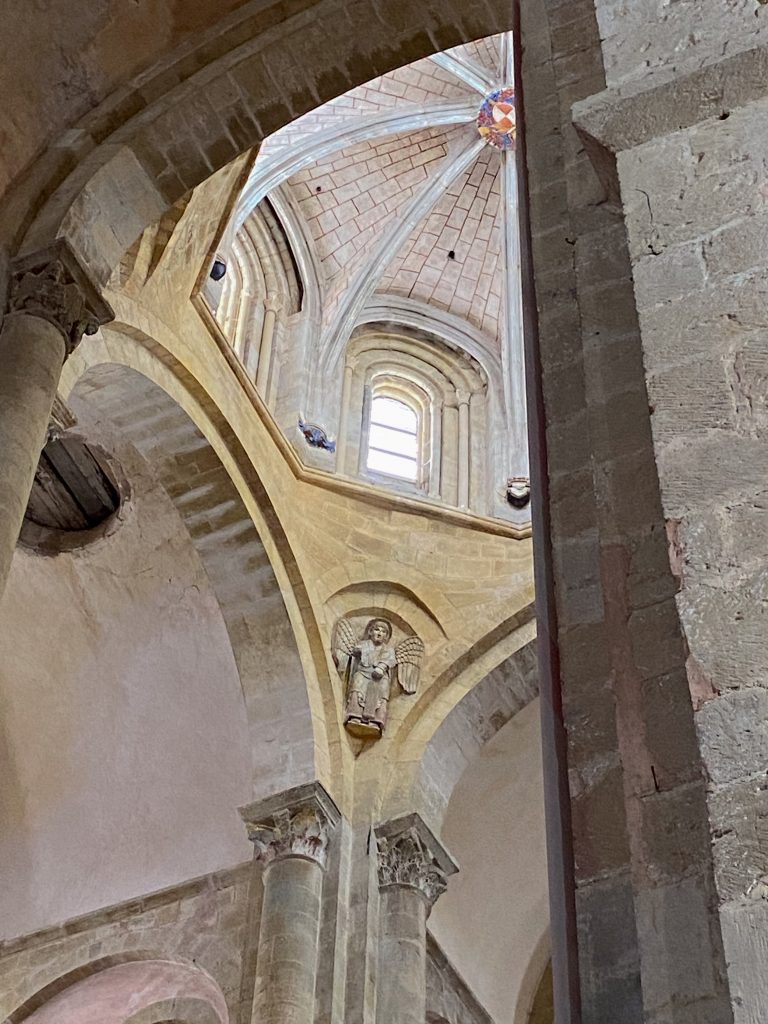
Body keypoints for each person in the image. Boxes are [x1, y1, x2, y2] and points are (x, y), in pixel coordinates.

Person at [342, 618, 397, 737]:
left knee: (382, 691)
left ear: (386, 636)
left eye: (383, 632)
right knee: (357, 685)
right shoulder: (364, 644)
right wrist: (358, 651)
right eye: (377, 630)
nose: (379, 633)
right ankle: (355, 715)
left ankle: (376, 720)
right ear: (370, 632)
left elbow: (391, 660)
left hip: (379, 677)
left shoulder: (388, 649)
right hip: (363, 672)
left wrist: (381, 667)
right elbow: (355, 651)